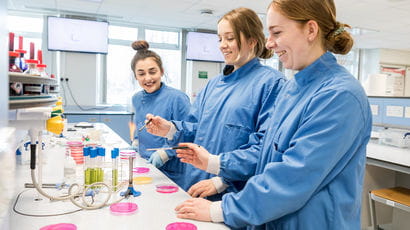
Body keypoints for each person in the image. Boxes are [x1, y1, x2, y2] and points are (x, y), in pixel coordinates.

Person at [174, 0, 372, 229]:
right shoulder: (293, 89)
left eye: (277, 32)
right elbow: (264, 155)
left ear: (310, 30)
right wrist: (221, 173)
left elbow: (293, 177)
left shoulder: (339, 95)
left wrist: (221, 209)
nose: (269, 43)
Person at [146, 8, 285, 198]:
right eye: (220, 39)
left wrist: (223, 180)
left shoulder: (271, 84)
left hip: (233, 192)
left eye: (230, 38)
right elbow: (195, 128)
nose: (222, 45)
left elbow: (266, 148)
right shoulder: (214, 84)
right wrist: (169, 129)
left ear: (252, 41)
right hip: (195, 182)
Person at [130, 40, 191, 186]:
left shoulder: (178, 98)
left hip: (173, 172)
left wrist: (165, 153)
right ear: (135, 76)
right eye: (141, 74)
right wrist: (136, 141)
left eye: (152, 72)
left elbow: (189, 134)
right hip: (146, 166)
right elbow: (139, 125)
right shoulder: (137, 98)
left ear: (161, 71)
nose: (148, 78)